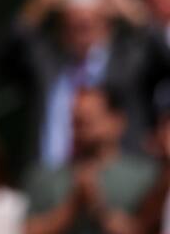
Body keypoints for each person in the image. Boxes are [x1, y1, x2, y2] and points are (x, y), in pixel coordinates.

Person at [0, 0, 161, 167]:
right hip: (51, 179)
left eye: (90, 24)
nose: (83, 34)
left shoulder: (130, 61)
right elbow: (5, 58)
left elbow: (164, 58)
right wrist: (38, 5)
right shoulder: (47, 62)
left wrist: (134, 10)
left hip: (123, 181)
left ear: (108, 22)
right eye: (73, 26)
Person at [24, 87, 157, 234]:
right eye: (76, 120)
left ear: (118, 121)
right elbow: (27, 229)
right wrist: (73, 205)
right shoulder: (45, 176)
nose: (81, 125)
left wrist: (98, 208)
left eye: (90, 117)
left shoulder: (148, 177)